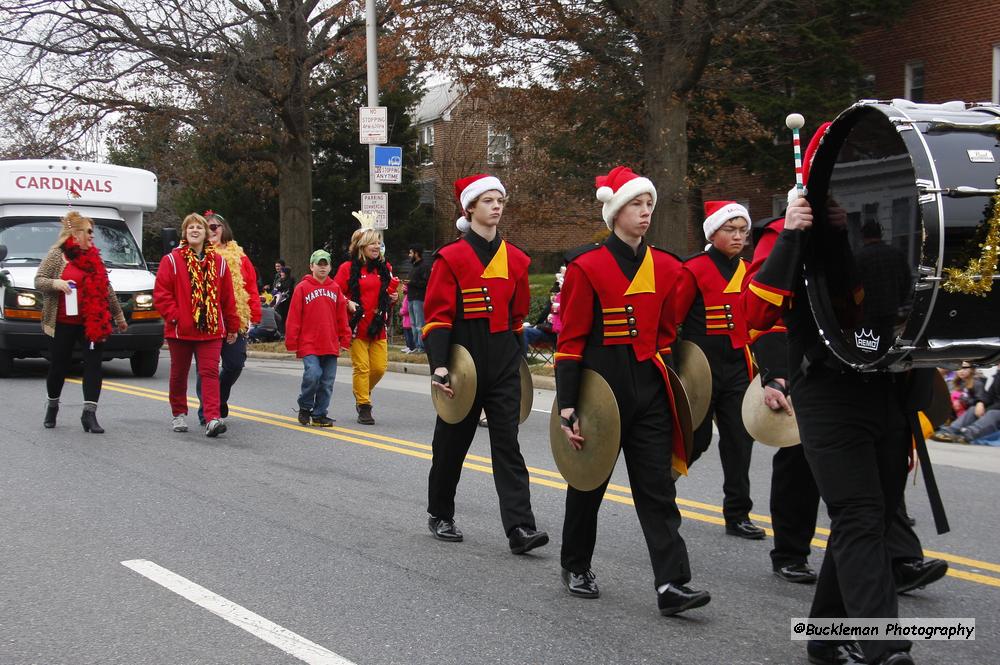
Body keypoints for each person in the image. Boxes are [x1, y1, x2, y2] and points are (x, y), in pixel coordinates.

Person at [743, 191, 932, 665]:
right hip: (828, 392)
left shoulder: (872, 239)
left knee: (875, 517)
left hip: (886, 388)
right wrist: (791, 231)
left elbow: (874, 306)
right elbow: (756, 314)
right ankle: (884, 647)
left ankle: (827, 635)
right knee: (860, 514)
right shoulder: (782, 232)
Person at [555, 166, 709, 616]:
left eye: (649, 205)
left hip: (650, 392)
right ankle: (575, 564)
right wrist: (568, 406)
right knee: (589, 487)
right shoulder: (587, 266)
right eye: (636, 205)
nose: (645, 213)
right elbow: (570, 342)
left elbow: (666, 332)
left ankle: (671, 584)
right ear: (615, 210)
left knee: (658, 489)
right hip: (600, 391)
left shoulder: (665, 265)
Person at [423, 173, 548, 555]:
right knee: (452, 444)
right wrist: (440, 366)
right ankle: (440, 513)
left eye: (500, 201)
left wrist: (518, 362)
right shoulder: (451, 257)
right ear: (471, 208)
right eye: (489, 200)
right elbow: (438, 318)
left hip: (504, 360)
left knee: (507, 445)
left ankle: (520, 528)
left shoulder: (517, 259)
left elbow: (517, 316)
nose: (496, 206)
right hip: (464, 360)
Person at [673, 200, 763, 540]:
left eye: (743, 230)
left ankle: (737, 513)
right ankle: (660, 491)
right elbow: (675, 321)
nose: (739, 236)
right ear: (714, 231)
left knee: (740, 439)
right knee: (698, 438)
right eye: (731, 229)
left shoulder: (750, 269)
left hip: (738, 366)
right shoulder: (694, 268)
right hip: (701, 366)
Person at [34, 210, 128, 433]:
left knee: (94, 365)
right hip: (62, 321)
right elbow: (39, 280)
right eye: (88, 232)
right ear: (75, 235)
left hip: (91, 322)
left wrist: (118, 315)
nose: (92, 236)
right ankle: (52, 406)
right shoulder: (57, 255)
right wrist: (56, 283)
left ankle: (89, 414)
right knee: (59, 366)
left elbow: (106, 287)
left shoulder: (95, 259)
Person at [154, 213, 239, 437]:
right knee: (179, 373)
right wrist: (176, 316)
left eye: (199, 228)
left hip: (210, 329)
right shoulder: (171, 260)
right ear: (184, 233)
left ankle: (212, 417)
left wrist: (232, 326)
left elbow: (227, 298)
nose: (194, 230)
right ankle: (179, 413)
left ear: (205, 233)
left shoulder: (219, 263)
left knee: (210, 372)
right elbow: (162, 295)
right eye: (190, 227)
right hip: (180, 330)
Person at [195, 211, 262, 427]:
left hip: (235, 318)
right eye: (207, 227)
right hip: (207, 319)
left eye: (215, 227)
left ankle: (219, 397)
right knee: (206, 368)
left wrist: (255, 313)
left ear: (224, 229)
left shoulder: (240, 257)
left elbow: (250, 286)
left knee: (235, 363)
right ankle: (207, 411)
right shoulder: (198, 254)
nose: (211, 231)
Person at [334, 225, 398, 425]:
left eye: (378, 242)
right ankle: (364, 405)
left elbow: (386, 295)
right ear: (362, 246)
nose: (377, 246)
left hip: (378, 324)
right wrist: (348, 302)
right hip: (357, 325)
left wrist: (393, 297)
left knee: (379, 368)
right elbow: (336, 294)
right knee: (361, 368)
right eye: (372, 242)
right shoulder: (347, 268)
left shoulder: (384, 268)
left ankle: (363, 390)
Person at [285, 250, 352, 427]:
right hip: (309, 343)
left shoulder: (335, 288)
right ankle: (305, 406)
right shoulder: (302, 288)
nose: (322, 268)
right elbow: (294, 316)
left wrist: (345, 338)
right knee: (313, 374)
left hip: (330, 342)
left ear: (330, 267)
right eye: (319, 264)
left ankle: (320, 413)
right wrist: (292, 340)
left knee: (327, 381)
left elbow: (341, 317)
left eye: (326, 264)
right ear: (311, 266)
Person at [932, 362, 1000, 443]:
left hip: (995, 411)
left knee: (992, 413)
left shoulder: (977, 383)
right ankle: (948, 431)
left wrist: (986, 409)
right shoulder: (997, 377)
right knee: (973, 409)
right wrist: (981, 403)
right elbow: (989, 396)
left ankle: (966, 435)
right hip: (992, 408)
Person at [406, 243, 430, 353]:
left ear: (416, 253)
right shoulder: (414, 266)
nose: (409, 255)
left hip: (419, 298)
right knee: (413, 324)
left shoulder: (424, 267)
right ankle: (416, 346)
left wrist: (412, 282)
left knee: (420, 324)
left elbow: (426, 283)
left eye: (411, 253)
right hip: (411, 298)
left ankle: (422, 346)